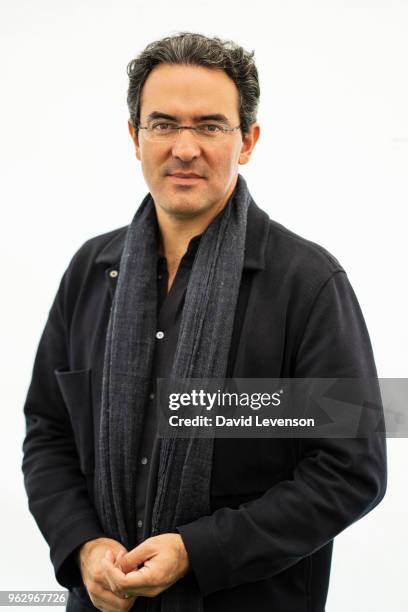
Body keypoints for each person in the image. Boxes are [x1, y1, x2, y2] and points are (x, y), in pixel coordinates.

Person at [22, 32, 387, 612]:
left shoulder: (307, 283)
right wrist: (84, 546)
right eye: (163, 124)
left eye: (211, 126)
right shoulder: (92, 270)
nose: (184, 148)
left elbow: (349, 471)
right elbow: (48, 432)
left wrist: (198, 550)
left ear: (247, 142)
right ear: (134, 137)